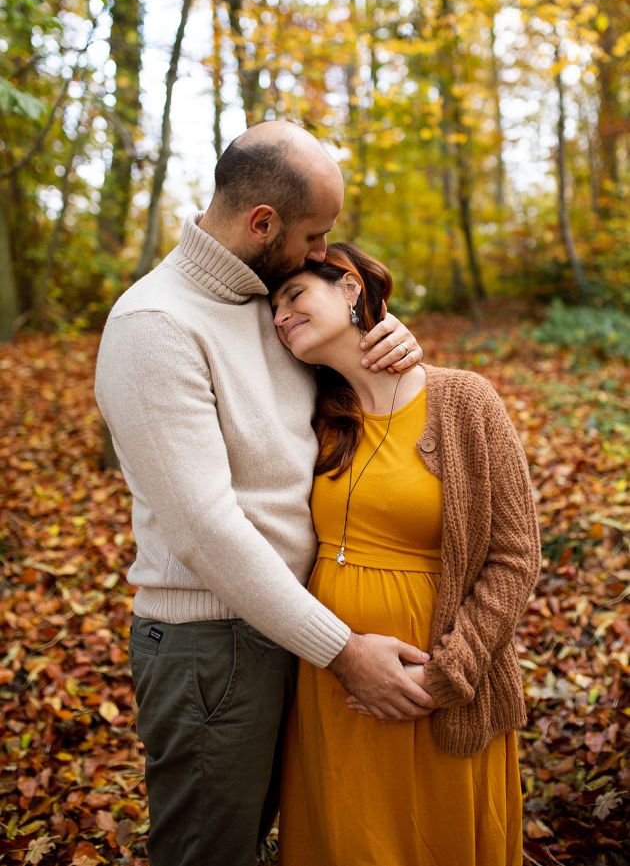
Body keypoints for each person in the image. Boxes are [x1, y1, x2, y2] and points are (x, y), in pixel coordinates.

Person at [94, 120, 434, 866]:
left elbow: (351, 385)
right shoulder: (155, 326)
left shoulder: (268, 303)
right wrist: (342, 652)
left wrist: (392, 342)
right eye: (315, 236)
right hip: (213, 646)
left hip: (289, 627)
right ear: (262, 223)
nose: (321, 253)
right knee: (211, 852)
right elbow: (207, 530)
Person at [271, 243, 541, 866]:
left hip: (435, 684)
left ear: (348, 288)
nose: (281, 317)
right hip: (330, 680)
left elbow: (515, 554)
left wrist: (446, 675)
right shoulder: (310, 412)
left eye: (295, 296)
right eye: (274, 310)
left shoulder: (465, 402)